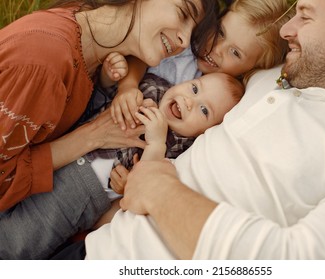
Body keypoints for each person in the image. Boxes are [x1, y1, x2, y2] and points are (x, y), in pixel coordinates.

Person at [53, 0, 325, 259]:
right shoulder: (270, 77)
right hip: (97, 247)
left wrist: (157, 189)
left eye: (306, 15)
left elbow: (297, 263)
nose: (288, 31)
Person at [0, 0, 218, 258]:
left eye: (192, 34)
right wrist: (91, 137)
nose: (183, 40)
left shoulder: (95, 54)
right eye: (183, 12)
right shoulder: (45, 63)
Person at [110, 0, 295, 130]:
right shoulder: (183, 45)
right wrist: (128, 86)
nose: (216, 48)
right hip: (114, 105)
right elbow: (140, 60)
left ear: (252, 68)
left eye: (235, 52)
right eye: (221, 32)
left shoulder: (224, 101)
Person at [90, 71, 244, 198]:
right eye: (195, 89)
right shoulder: (151, 88)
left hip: (92, 191)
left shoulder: (179, 154)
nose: (189, 101)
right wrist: (110, 75)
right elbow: (104, 91)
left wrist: (126, 186)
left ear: (205, 132)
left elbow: (144, 187)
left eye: (204, 110)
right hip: (79, 137)